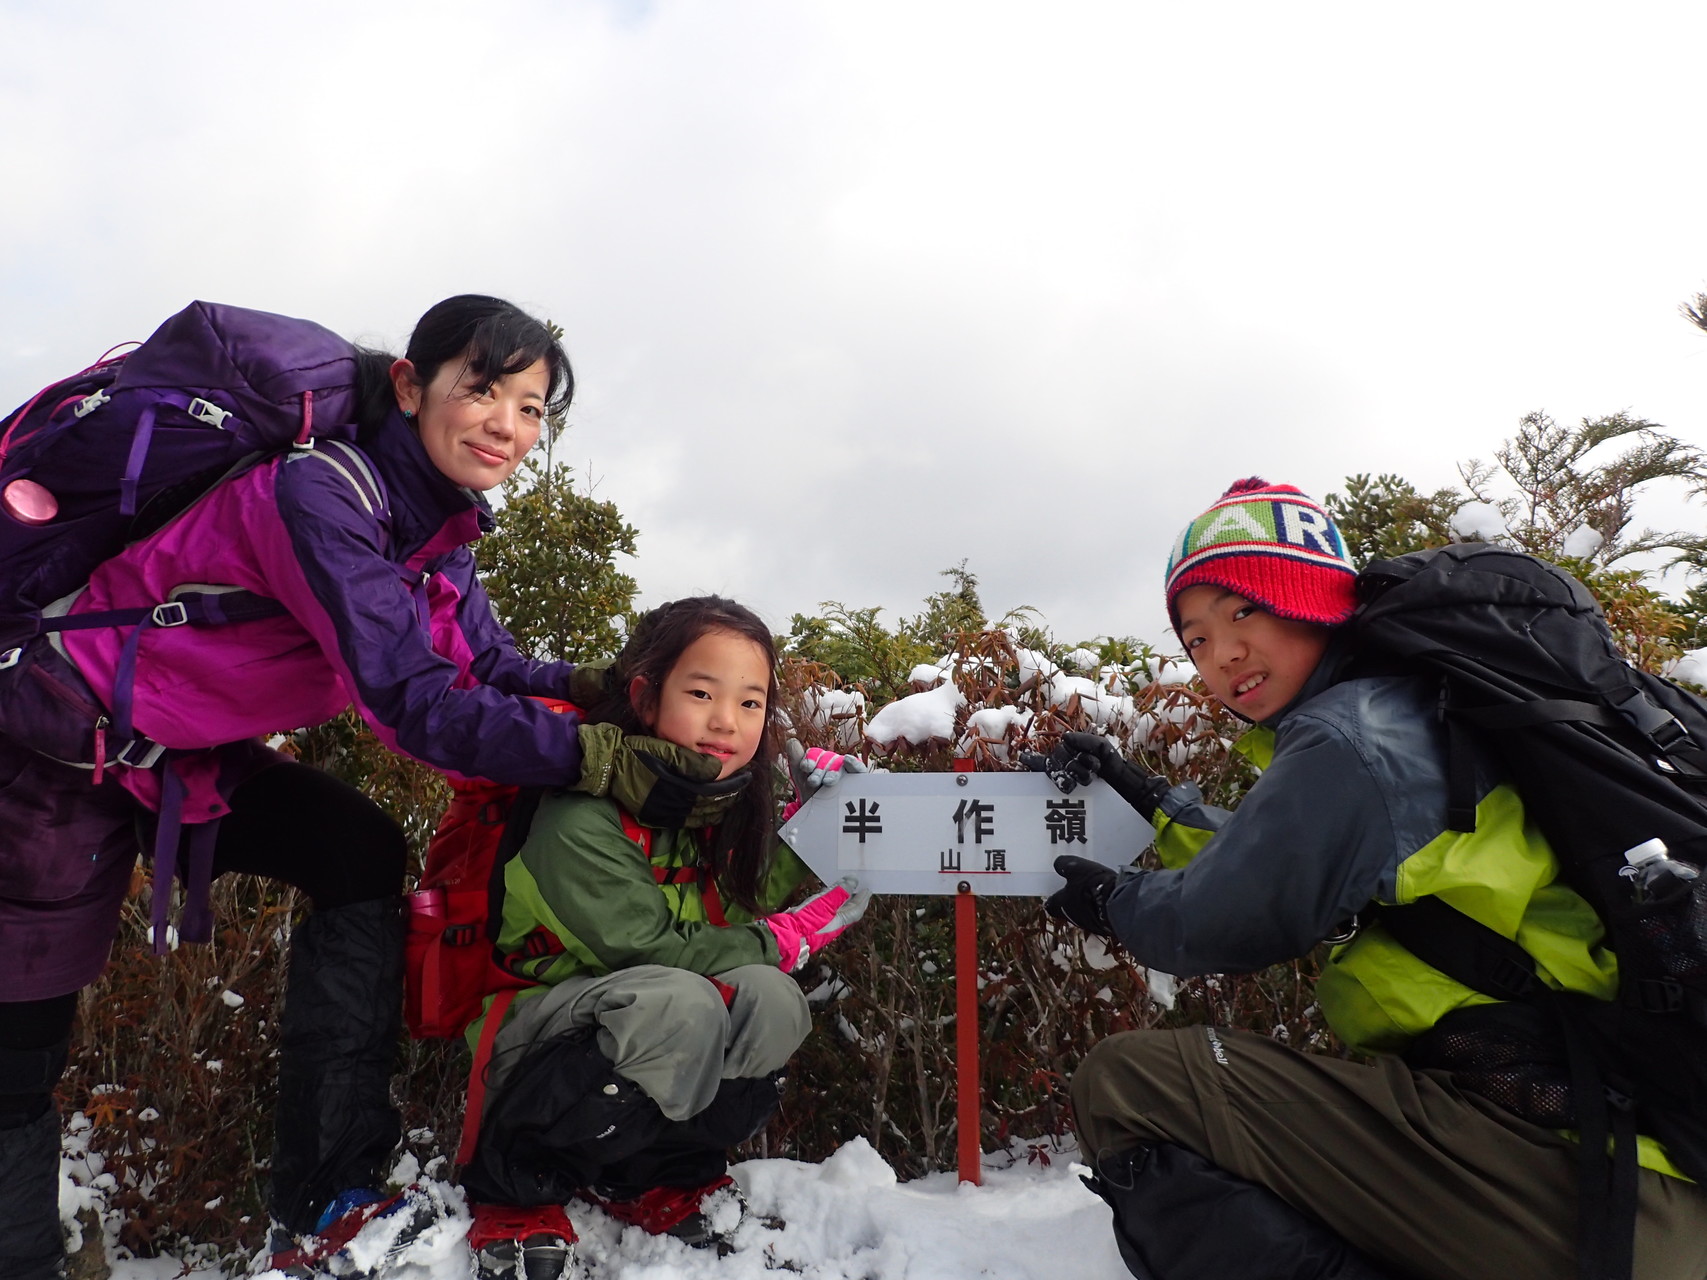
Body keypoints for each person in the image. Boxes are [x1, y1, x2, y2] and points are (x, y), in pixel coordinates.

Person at [0, 296, 651, 1278]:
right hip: (42, 751)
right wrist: (604, 761)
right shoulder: (320, 495)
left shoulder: (435, 528)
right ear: (408, 384)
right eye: (482, 388)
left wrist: (615, 695)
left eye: (530, 407)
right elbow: (417, 702)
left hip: (171, 753)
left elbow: (490, 664)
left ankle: (329, 1197)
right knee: (17, 1057)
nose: (506, 427)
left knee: (356, 852)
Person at [1034, 478, 1707, 1280]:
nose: (1224, 656)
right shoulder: (1426, 707)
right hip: (1636, 1151)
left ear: (1310, 597)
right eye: (1195, 641)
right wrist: (1148, 798)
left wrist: (1116, 904)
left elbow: (1230, 914)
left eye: (1243, 610)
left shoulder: (1353, 734)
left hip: (1594, 1184)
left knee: (1132, 1083)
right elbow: (1292, 859)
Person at [457, 596, 869, 1279]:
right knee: (683, 1001)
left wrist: (810, 823)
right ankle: (514, 1182)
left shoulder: (707, 804)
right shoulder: (578, 814)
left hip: (640, 1017)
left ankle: (657, 1173)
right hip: (533, 1032)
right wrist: (782, 938)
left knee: (770, 999)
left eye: (750, 703)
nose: (724, 722)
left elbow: (740, 900)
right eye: (702, 693)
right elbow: (646, 949)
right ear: (645, 699)